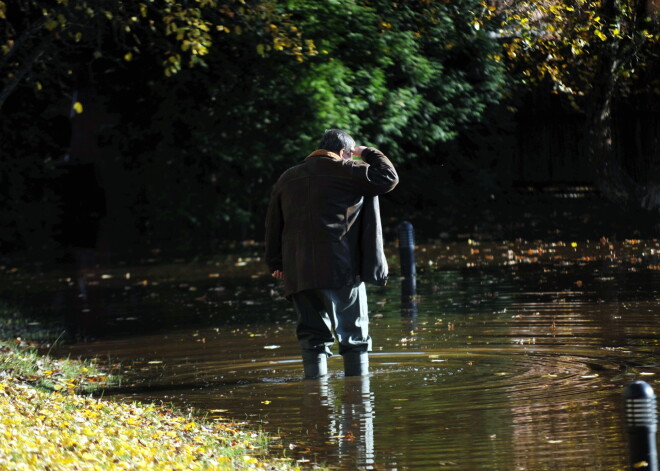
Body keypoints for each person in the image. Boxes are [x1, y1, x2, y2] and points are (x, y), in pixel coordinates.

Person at [265, 129, 399, 378]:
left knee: (312, 336)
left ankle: (315, 396)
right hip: (340, 269)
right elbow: (388, 177)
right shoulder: (349, 170)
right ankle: (359, 403)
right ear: (343, 153)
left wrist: (275, 262)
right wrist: (367, 152)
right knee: (354, 337)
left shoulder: (288, 177)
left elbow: (274, 223)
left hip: (298, 272)